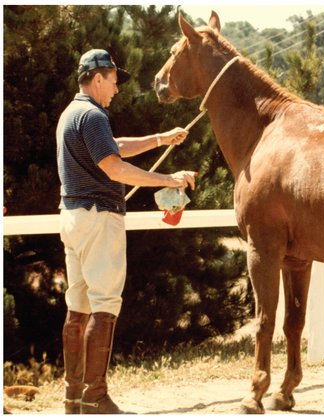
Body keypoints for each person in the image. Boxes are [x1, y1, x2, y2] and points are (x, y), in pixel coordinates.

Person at [57, 49, 197, 414]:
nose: (117, 89)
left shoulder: (74, 114)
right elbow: (115, 168)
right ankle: (96, 397)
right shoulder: (93, 115)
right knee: (104, 307)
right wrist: (169, 179)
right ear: (99, 77)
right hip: (99, 218)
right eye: (115, 82)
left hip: (74, 218)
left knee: (78, 307)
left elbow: (112, 149)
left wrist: (160, 139)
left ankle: (74, 396)